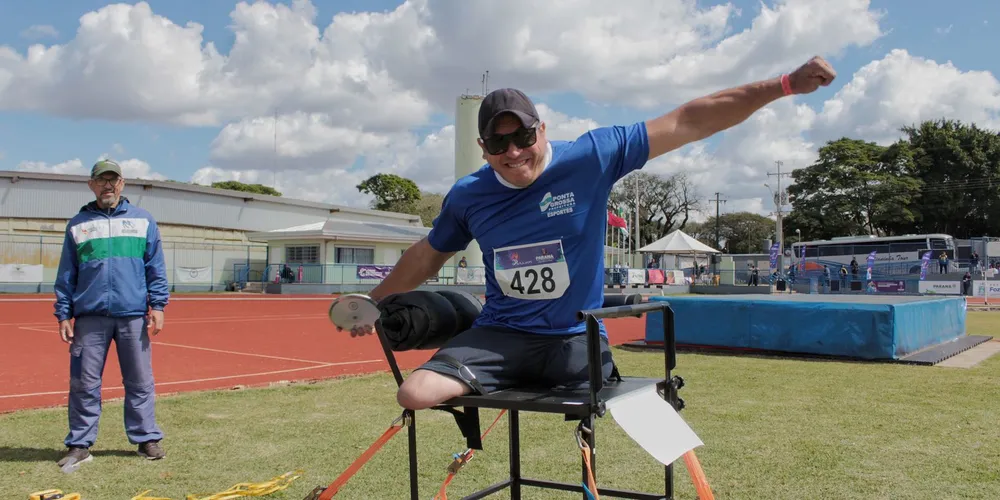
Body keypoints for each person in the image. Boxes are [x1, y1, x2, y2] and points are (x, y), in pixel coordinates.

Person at [356, 56, 837, 411]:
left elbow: (689, 120)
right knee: (414, 393)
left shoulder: (592, 155)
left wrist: (784, 85)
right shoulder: (468, 195)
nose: (515, 151)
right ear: (483, 147)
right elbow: (427, 255)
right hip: (503, 335)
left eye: (523, 136)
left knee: (627, 410)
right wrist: (374, 302)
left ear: (542, 130)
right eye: (499, 143)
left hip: (575, 337)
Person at [53, 159, 170, 468]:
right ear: (91, 185)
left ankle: (147, 439)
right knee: (84, 382)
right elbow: (67, 273)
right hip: (90, 317)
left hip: (132, 315)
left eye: (113, 180)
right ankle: (80, 444)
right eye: (101, 180)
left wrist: (158, 305)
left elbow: (155, 269)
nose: (108, 185)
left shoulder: (143, 221)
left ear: (122, 184)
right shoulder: (78, 224)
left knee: (140, 380)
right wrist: (63, 313)